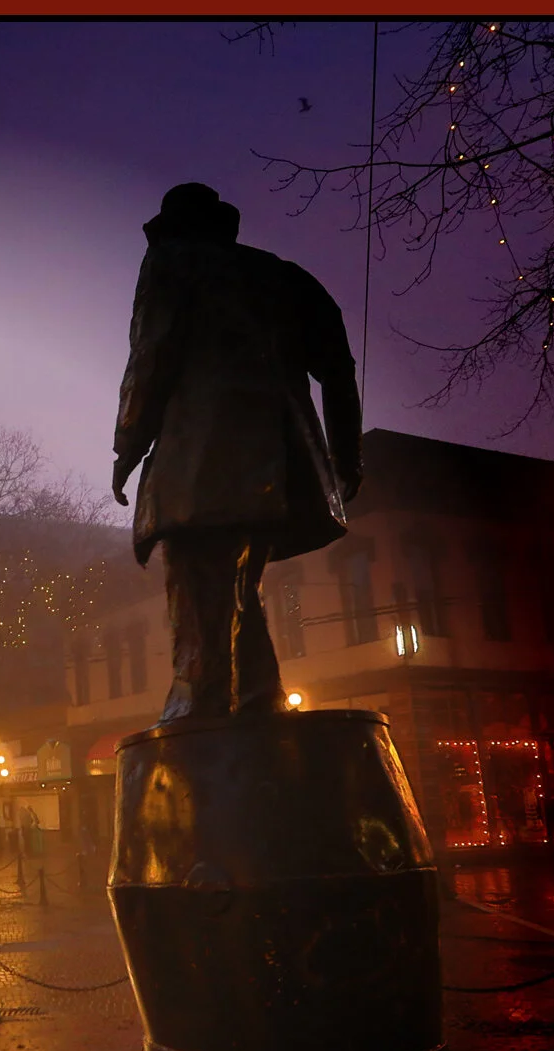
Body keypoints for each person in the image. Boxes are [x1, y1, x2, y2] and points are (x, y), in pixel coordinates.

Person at [111, 183, 363, 721]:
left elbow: (150, 357)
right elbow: (339, 372)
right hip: (279, 463)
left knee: (198, 586)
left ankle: (195, 707)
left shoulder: (172, 262)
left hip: (197, 459)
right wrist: (344, 459)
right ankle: (256, 701)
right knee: (241, 592)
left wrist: (127, 448)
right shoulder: (288, 278)